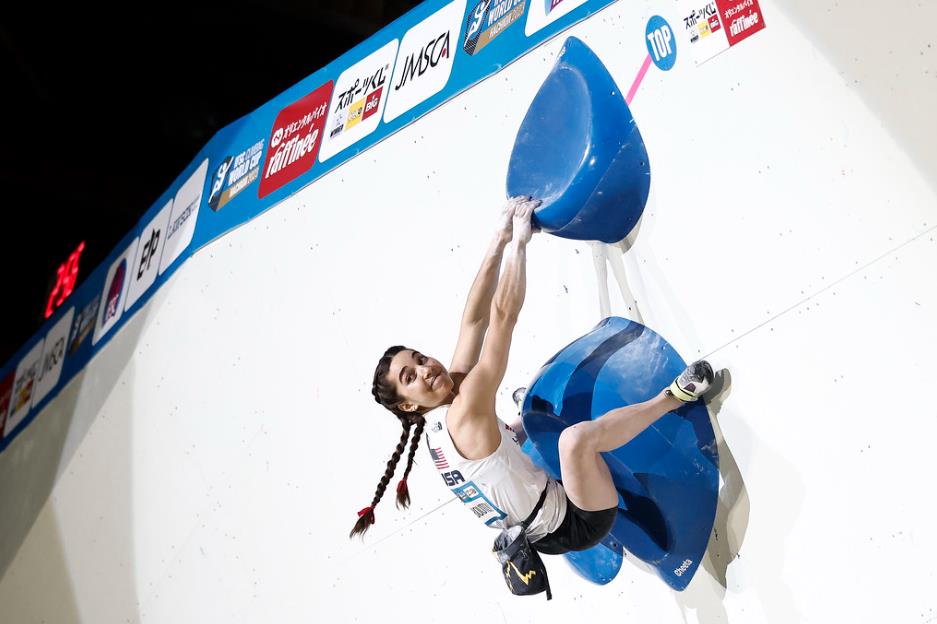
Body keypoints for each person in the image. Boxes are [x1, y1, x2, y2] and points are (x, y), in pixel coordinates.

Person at [349, 196, 713, 556]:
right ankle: (674, 397)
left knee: (531, 412)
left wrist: (498, 238)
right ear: (409, 404)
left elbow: (474, 321)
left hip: (533, 513)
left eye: (421, 358)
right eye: (411, 376)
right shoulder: (463, 409)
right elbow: (502, 318)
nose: (427, 369)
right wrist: (520, 241)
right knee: (574, 441)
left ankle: (516, 428)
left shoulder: (441, 416)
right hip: (575, 524)